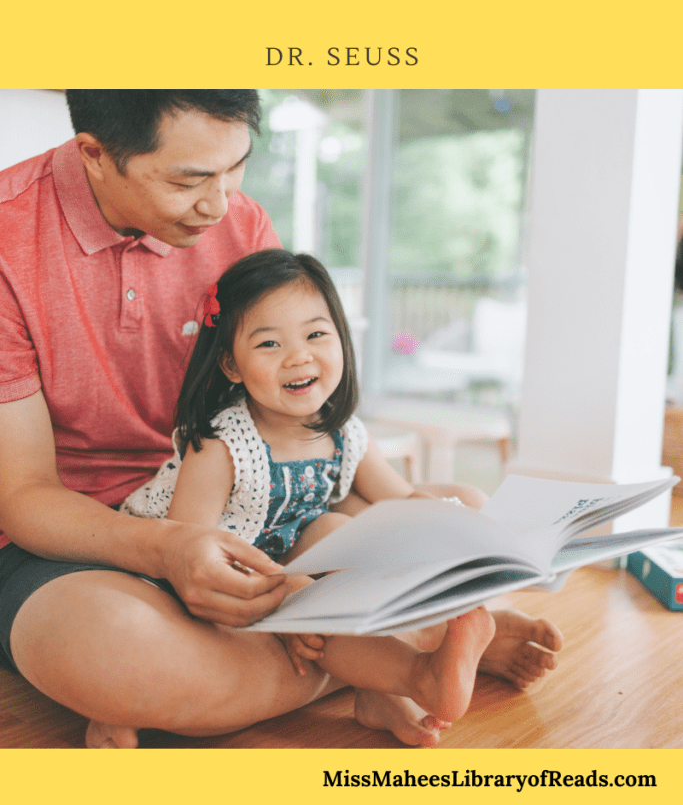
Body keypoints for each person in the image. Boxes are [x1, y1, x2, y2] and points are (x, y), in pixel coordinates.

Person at [0, 89, 562, 750]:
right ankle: (405, 645)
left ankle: (367, 647)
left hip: (253, 515)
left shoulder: (237, 225)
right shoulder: (9, 238)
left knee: (426, 514)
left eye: (236, 166)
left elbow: (293, 414)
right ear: (95, 153)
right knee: (116, 648)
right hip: (78, 543)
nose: (220, 203)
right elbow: (24, 497)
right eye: (190, 179)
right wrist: (170, 549)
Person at [118, 248, 496, 742]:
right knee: (315, 603)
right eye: (270, 343)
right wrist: (283, 591)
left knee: (349, 534)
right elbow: (192, 551)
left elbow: (398, 501)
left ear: (342, 339)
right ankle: (414, 677)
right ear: (231, 364)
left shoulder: (344, 434)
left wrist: (460, 516)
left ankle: (381, 690)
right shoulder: (220, 444)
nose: (299, 356)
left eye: (316, 334)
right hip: (199, 573)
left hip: (283, 556)